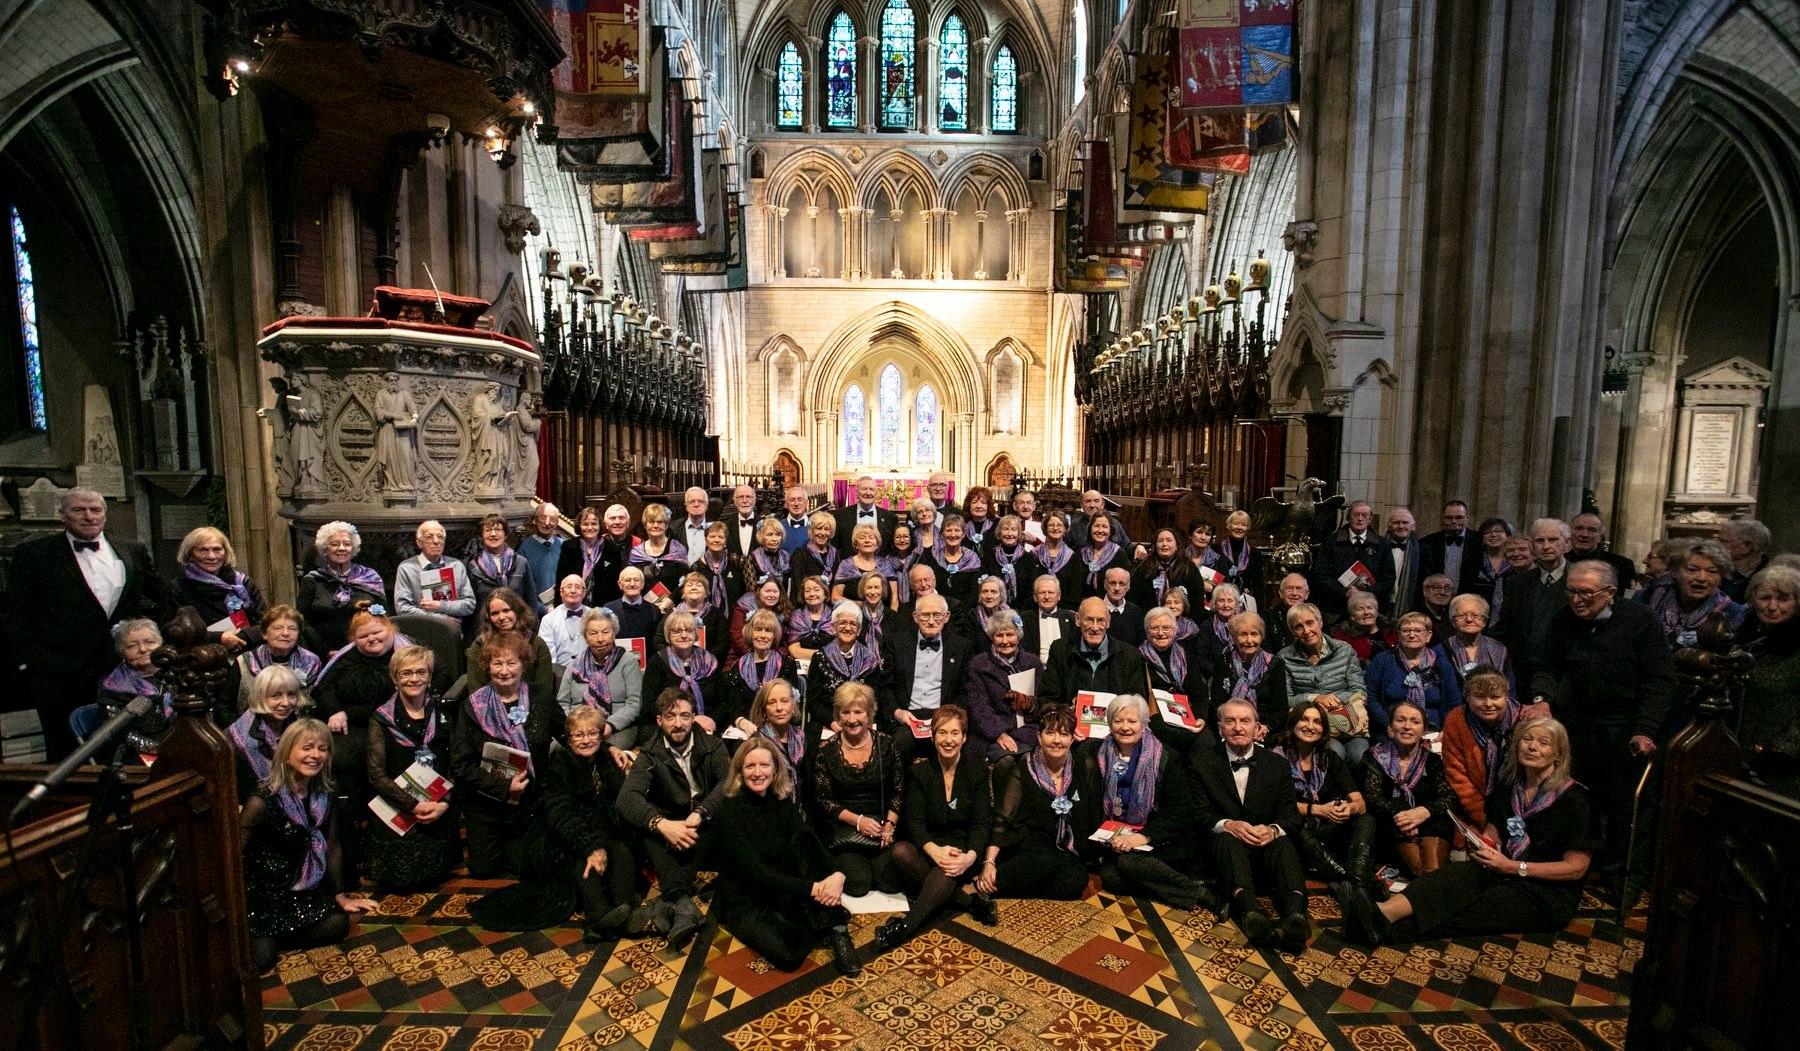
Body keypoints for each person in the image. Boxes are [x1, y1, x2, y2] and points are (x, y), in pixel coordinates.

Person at [1334, 718, 1595, 946]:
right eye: (1526, 739)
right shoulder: (1509, 787)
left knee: (1463, 910)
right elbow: (1495, 829)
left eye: (1543, 743)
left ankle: (1374, 927)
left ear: (1558, 754)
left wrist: (1514, 867)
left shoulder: (1574, 798)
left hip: (1544, 892)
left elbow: (1576, 867)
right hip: (1503, 872)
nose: (1532, 746)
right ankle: (1381, 913)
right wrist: (1484, 843)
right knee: (1454, 876)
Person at [1532, 561, 1674, 879]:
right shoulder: (1564, 619)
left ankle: (1623, 876)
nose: (1576, 600)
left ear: (1610, 593)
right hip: (1578, 724)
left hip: (1624, 725)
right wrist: (1542, 701)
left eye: (1586, 593)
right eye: (1571, 592)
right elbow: (1547, 667)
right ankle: (1579, 865)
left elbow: (1659, 681)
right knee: (1579, 799)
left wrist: (1645, 728)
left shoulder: (1641, 621)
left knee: (1625, 805)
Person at [6, 488, 168, 750]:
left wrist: (157, 638)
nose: (89, 516)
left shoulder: (132, 549)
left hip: (120, 669)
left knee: (123, 743)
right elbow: (16, 612)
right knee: (64, 748)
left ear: (105, 514)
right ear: (63, 515)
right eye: (79, 510)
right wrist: (31, 659)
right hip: (58, 672)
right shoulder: (35, 554)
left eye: (95, 510)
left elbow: (162, 595)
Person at [468, 706, 637, 941]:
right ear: (568, 739)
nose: (586, 740)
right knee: (584, 860)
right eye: (579, 735)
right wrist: (591, 846)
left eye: (592, 733)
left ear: (601, 735)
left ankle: (624, 913)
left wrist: (603, 839)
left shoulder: (606, 759)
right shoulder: (560, 763)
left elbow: (615, 804)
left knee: (621, 850)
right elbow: (561, 814)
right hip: (562, 836)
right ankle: (596, 918)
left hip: (599, 829)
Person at [240, 718, 379, 971]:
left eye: (322, 749)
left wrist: (339, 895)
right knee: (262, 960)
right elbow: (235, 855)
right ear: (286, 753)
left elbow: (332, 846)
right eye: (306, 748)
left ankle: (279, 938)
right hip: (264, 898)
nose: (315, 755)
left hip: (301, 894)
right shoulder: (262, 801)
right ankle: (268, 938)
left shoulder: (325, 794)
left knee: (338, 924)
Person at [713, 738, 861, 974]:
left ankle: (838, 931)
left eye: (765, 765)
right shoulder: (728, 814)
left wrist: (837, 873)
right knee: (790, 954)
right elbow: (758, 873)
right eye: (750, 766)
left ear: (775, 769)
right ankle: (820, 917)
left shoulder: (780, 800)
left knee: (803, 839)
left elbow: (809, 839)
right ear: (740, 771)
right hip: (747, 899)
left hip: (779, 885)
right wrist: (816, 889)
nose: (758, 772)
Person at [1189, 698, 1312, 951]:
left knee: (1284, 842)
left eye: (1245, 721)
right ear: (1220, 727)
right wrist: (1228, 824)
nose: (1238, 727)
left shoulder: (1276, 764)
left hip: (1265, 847)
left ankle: (1296, 916)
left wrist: (1272, 830)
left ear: (1257, 728)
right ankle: (1250, 912)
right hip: (1226, 852)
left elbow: (1290, 814)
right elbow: (1198, 814)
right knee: (1225, 839)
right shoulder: (1201, 762)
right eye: (1230, 721)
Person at [615, 688, 730, 947]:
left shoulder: (712, 745)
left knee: (728, 814)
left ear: (693, 717)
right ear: (659, 720)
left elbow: (727, 783)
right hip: (671, 827)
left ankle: (674, 901)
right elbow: (627, 798)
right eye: (670, 716)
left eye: (684, 716)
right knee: (646, 826)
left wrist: (700, 813)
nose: (678, 723)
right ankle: (682, 903)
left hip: (704, 824)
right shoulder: (650, 753)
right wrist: (662, 825)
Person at [875, 706, 997, 949]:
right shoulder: (919, 772)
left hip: (960, 850)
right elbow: (915, 822)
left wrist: (970, 857)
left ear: (964, 737)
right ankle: (970, 902)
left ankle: (905, 927)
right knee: (900, 852)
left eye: (954, 733)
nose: (948, 740)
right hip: (930, 846)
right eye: (941, 733)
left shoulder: (978, 771)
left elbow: (982, 823)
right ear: (932, 737)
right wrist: (933, 850)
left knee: (947, 869)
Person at [1085, 694, 1217, 911]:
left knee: (1127, 864)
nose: (1125, 727)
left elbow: (1180, 812)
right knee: (1112, 878)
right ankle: (1191, 888)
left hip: (1162, 838)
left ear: (1144, 724)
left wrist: (1143, 836)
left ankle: (1204, 896)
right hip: (1114, 840)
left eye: (1132, 721)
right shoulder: (1097, 753)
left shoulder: (1166, 757)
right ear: (1109, 724)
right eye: (1118, 721)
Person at [450, 631, 562, 877]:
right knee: (483, 870)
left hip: (533, 799)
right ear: (487, 666)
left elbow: (567, 735)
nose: (504, 670)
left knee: (531, 867)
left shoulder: (541, 697)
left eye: (511, 663)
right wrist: (504, 786)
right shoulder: (472, 706)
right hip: (488, 803)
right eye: (497, 663)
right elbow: (461, 765)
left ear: (523, 664)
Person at [365, 645, 459, 888]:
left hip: (438, 805)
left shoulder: (443, 711)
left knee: (438, 880)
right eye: (406, 673)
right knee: (404, 884)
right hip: (398, 806)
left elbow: (456, 762)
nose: (414, 678)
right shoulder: (380, 719)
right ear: (395, 678)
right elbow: (376, 774)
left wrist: (444, 803)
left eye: (421, 672)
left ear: (429, 677)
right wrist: (413, 805)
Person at [983, 704, 1095, 900]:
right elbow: (1003, 818)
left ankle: (1015, 889)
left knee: (1076, 881)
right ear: (1039, 737)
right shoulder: (1024, 767)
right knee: (1043, 860)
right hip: (1030, 844)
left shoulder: (1083, 765)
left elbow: (1091, 814)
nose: (1057, 741)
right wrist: (989, 862)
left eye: (1064, 734)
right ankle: (993, 884)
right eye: (1050, 733)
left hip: (1065, 848)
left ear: (1071, 738)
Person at [809, 682, 903, 897]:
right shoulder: (826, 750)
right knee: (859, 884)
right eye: (846, 712)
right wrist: (858, 821)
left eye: (859, 711)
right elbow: (824, 800)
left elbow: (897, 791)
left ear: (869, 713)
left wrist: (889, 825)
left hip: (879, 829)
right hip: (844, 830)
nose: (852, 719)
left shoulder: (887, 745)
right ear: (837, 715)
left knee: (889, 882)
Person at [1275, 700, 1375, 887]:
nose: (1310, 726)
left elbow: (1360, 802)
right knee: (1295, 826)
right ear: (1293, 723)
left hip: (1327, 829)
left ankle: (1355, 876)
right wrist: (1319, 810)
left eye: (1317, 722)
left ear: (1324, 729)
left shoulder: (1329, 758)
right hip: (1297, 832)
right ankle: (1353, 881)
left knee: (1366, 819)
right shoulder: (1276, 758)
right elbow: (1276, 804)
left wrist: (1350, 808)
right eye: (1304, 720)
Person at [1440, 667, 1545, 837]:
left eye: (1496, 697)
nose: (1488, 704)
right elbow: (1458, 777)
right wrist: (1486, 823)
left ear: (1507, 696)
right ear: (1467, 697)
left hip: (1526, 809)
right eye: (1480, 697)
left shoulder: (1527, 719)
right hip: (1476, 811)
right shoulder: (1456, 720)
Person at [1362, 699, 1452, 878]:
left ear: (1424, 731)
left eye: (1415, 721)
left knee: (1433, 866)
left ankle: (1432, 887)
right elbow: (1372, 797)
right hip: (1394, 825)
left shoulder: (1433, 761)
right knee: (1423, 874)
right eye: (1400, 720)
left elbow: (1448, 797)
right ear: (1390, 727)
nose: (1407, 726)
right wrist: (1402, 814)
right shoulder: (1373, 756)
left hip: (1429, 822)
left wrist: (1424, 811)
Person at [1279, 602, 1372, 764]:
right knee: (1335, 753)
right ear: (1292, 631)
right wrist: (1315, 698)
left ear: (1320, 622)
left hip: (1349, 721)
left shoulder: (1344, 650)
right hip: (1311, 725)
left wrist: (1333, 699)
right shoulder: (1285, 657)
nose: (1306, 631)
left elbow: (1359, 691)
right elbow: (1285, 699)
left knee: (1359, 754)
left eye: (1310, 623)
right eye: (1298, 627)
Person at [879, 593, 972, 752]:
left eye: (936, 615)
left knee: (963, 746)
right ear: (915, 617)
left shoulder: (962, 646)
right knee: (899, 745)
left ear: (947, 617)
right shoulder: (896, 643)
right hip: (907, 717)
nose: (930, 621)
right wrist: (897, 712)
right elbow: (886, 685)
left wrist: (949, 716)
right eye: (925, 615)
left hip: (944, 716)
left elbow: (965, 690)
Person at [1739, 565, 1800, 790]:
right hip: (1742, 753)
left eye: (1783, 599)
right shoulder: (1749, 638)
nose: (1772, 607)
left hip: (1783, 766)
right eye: (1765, 598)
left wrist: (1780, 751)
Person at [1497, 518, 1572, 697]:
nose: (1546, 546)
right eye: (1540, 541)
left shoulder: (1579, 578)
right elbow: (1505, 626)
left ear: (1567, 544)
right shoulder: (1518, 582)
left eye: (1553, 540)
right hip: (1524, 673)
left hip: (1565, 673)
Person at [557, 608, 643, 758]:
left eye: (605, 632)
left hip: (616, 727)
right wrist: (575, 728)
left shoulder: (628, 661)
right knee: (557, 751)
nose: (600, 638)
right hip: (578, 729)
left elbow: (634, 704)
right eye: (593, 633)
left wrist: (608, 726)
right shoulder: (575, 664)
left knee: (605, 754)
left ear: (614, 633)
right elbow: (562, 702)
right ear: (585, 636)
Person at [298, 521, 389, 653]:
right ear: (325, 549)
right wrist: (325, 651)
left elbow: (384, 617)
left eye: (347, 544)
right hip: (323, 652)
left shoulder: (370, 577)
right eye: (334, 544)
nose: (341, 548)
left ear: (353, 549)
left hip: (366, 649)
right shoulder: (312, 579)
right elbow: (303, 621)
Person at [1639, 539, 1747, 649]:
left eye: (1712, 572)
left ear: (1721, 578)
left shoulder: (1733, 613)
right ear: (1674, 572)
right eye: (1692, 570)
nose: (1701, 578)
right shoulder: (1650, 597)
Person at [1039, 597, 1148, 706]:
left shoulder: (1130, 655)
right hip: (1070, 720)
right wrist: (1070, 710)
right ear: (1078, 619)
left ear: (1108, 622)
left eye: (1101, 620)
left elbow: (1137, 702)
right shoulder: (1060, 650)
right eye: (1089, 620)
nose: (1095, 627)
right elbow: (1048, 698)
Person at [1364, 612, 1462, 731]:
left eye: (1418, 630)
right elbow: (1370, 697)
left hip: (1433, 730)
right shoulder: (1383, 660)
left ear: (1429, 635)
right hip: (1392, 729)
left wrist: (1446, 730)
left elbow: (1454, 702)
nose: (1412, 635)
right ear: (1399, 635)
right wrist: (1388, 725)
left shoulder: (1442, 664)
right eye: (1406, 630)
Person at [965, 607, 1043, 758]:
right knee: (1005, 761)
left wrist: (1030, 705)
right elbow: (979, 707)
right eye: (999, 635)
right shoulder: (979, 664)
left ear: (1018, 636)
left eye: (1010, 634)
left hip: (1028, 730)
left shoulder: (1032, 662)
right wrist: (999, 733)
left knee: (1031, 758)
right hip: (992, 733)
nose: (1005, 641)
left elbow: (1044, 701)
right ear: (992, 638)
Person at [176, 525, 268, 652]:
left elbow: (265, 622)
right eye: (203, 550)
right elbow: (175, 631)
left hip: (247, 651)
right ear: (190, 554)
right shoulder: (178, 588)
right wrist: (219, 638)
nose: (212, 556)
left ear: (226, 553)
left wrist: (240, 638)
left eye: (217, 549)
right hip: (202, 657)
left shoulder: (243, 583)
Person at [97, 618, 174, 755]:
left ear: (160, 644)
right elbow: (119, 732)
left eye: (149, 642)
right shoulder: (113, 685)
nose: (143, 649)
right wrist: (159, 749)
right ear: (122, 652)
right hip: (135, 752)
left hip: (177, 743)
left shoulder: (175, 672)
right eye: (132, 646)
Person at [230, 664, 305, 801]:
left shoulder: (297, 722)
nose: (286, 702)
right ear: (260, 697)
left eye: (291, 694)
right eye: (275, 696)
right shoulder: (240, 739)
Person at [641, 610, 723, 735]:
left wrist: (712, 720)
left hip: (706, 724)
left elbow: (722, 701)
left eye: (689, 630)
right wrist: (691, 720)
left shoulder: (709, 661)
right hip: (668, 724)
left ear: (696, 634)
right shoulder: (656, 662)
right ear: (668, 635)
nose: (684, 635)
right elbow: (650, 704)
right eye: (676, 631)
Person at [466, 588, 556, 700]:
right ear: (488, 617)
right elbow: (476, 691)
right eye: (494, 613)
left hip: (533, 707)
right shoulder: (479, 646)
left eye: (506, 610)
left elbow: (544, 690)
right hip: (489, 708)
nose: (501, 617)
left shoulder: (537, 644)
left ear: (517, 611)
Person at [808, 602, 885, 730]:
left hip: (863, 721)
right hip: (830, 722)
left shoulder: (870, 660)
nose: (848, 628)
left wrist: (861, 721)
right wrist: (832, 723)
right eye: (843, 623)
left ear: (859, 630)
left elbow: (874, 698)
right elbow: (813, 701)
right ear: (833, 627)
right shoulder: (819, 658)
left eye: (853, 624)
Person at [1140, 607, 1212, 741]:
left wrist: (1200, 718)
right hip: (1156, 721)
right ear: (1147, 631)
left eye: (1166, 628)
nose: (1161, 633)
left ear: (1175, 630)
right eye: (1155, 628)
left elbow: (1199, 692)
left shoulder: (1185, 655)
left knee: (1206, 743)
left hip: (1187, 716)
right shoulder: (1138, 657)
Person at [721, 610, 801, 731]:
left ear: (774, 636)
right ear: (750, 633)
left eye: (768, 631)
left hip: (779, 727)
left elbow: (792, 705)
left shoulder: (787, 664)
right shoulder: (738, 666)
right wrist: (743, 723)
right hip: (747, 729)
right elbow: (732, 708)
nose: (763, 635)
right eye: (758, 629)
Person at [1315, 501, 1394, 619]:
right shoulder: (1331, 541)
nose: (1360, 519)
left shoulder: (1382, 544)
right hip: (1336, 608)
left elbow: (1388, 577)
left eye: (1364, 515)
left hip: (1370, 608)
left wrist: (1366, 594)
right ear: (1348, 517)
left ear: (1370, 519)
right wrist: (1344, 592)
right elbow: (1321, 574)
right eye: (1356, 515)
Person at [236, 605, 322, 709]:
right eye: (278, 628)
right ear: (264, 634)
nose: (286, 633)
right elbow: (225, 706)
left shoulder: (312, 662)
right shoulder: (245, 661)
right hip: (251, 721)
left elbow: (316, 702)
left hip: (298, 722)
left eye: (292, 629)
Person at [395, 520, 477, 627]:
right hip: (419, 630)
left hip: (453, 633)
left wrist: (440, 606)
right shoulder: (407, 568)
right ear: (419, 542)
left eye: (440, 537)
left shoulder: (456, 566)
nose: (436, 541)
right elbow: (402, 608)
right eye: (429, 537)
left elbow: (469, 604)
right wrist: (440, 619)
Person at [1218, 612, 1289, 730]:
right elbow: (1218, 701)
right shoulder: (1225, 660)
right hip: (1231, 726)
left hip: (1263, 727)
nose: (1249, 640)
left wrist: (1267, 727)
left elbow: (1281, 708)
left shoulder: (1275, 663)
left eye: (1254, 634)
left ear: (1262, 637)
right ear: (1234, 638)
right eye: (1243, 634)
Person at [1435, 593, 1515, 697]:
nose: (1469, 619)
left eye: (1476, 615)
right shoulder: (1439, 651)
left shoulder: (1500, 651)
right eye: (1462, 615)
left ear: (1484, 621)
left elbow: (1510, 690)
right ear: (1453, 621)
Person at [736, 678, 809, 790]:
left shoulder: (800, 737)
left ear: (793, 705)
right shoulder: (757, 742)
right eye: (772, 702)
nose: (779, 708)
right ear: (764, 710)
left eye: (784, 701)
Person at [467, 513, 531, 611]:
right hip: (486, 623)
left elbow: (530, 599)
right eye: (488, 530)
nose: (493, 534)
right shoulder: (473, 566)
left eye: (498, 530)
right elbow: (473, 606)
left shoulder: (520, 562)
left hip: (518, 623)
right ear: (482, 536)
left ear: (506, 534)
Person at [923, 514, 984, 608]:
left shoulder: (972, 558)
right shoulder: (931, 556)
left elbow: (974, 592)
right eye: (948, 530)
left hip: (965, 612)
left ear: (963, 534)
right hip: (936, 610)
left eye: (957, 530)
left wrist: (960, 611)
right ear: (941, 534)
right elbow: (926, 587)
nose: (953, 534)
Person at [1568, 512, 1638, 593]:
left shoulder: (1623, 565)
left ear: (1600, 537)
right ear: (1570, 533)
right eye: (1579, 528)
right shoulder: (1559, 561)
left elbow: (1626, 599)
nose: (1584, 534)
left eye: (1591, 530)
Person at [630, 503, 688, 600]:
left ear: (666, 525)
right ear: (645, 525)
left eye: (660, 522)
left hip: (672, 605)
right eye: (651, 522)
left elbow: (685, 580)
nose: (655, 525)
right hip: (643, 606)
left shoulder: (677, 549)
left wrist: (670, 601)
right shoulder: (636, 552)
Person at [983, 514, 1042, 608]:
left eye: (1013, 530)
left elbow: (1031, 589)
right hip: (992, 609)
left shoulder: (1028, 558)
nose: (1009, 534)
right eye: (1006, 529)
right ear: (999, 533)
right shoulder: (989, 556)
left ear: (1019, 533)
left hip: (1021, 610)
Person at [518, 502, 565, 613]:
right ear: (535, 520)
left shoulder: (564, 546)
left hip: (563, 608)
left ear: (557, 523)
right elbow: (523, 587)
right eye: (543, 518)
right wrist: (544, 609)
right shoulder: (524, 549)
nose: (547, 523)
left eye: (552, 519)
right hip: (536, 612)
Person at [555, 506, 608, 604]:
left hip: (603, 606)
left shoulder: (611, 549)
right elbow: (561, 580)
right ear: (579, 526)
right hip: (573, 603)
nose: (589, 527)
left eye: (594, 524)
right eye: (585, 524)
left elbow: (613, 586)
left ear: (600, 525)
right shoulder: (568, 547)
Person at [1021, 574, 1077, 664]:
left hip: (1065, 671)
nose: (1047, 597)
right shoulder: (1024, 618)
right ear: (1035, 597)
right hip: (1035, 670)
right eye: (1042, 593)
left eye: (1051, 592)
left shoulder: (1071, 618)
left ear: (1059, 596)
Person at [834, 475, 899, 553]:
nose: (868, 493)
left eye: (871, 489)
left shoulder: (891, 518)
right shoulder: (840, 516)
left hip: (881, 564)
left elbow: (893, 548)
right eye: (864, 489)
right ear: (857, 491)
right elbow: (835, 547)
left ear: (876, 493)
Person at [833, 523, 895, 604]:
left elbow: (894, 598)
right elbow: (835, 597)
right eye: (862, 538)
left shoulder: (885, 565)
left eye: (871, 537)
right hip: (852, 614)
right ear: (856, 544)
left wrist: (893, 615)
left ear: (877, 544)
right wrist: (857, 605)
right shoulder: (846, 565)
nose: (867, 541)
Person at [1419, 500, 1474, 592]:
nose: (1454, 521)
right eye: (1449, 518)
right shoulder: (1427, 542)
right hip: (1436, 597)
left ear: (1467, 518)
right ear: (1443, 519)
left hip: (1468, 598)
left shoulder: (1478, 541)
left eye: (1459, 517)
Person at [538, 574, 593, 665]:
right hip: (559, 674)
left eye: (578, 587)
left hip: (592, 673)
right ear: (561, 592)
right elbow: (548, 656)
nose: (573, 591)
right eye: (569, 587)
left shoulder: (595, 617)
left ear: (584, 592)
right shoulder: (548, 620)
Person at [1330, 591, 1397, 665]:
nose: (1366, 612)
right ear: (1352, 616)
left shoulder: (1391, 630)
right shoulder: (1343, 635)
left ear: (1376, 612)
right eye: (1360, 609)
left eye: (1370, 608)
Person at [1078, 514, 1133, 601]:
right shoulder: (1081, 553)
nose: (1100, 530)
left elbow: (1126, 586)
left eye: (1104, 526)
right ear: (1090, 529)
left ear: (1110, 531)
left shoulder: (1119, 554)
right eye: (1096, 526)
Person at [602, 565, 662, 642]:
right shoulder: (609, 609)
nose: (632, 584)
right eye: (628, 580)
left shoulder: (654, 610)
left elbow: (656, 641)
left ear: (642, 584)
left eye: (636, 580)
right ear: (620, 585)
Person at [1464, 517, 1516, 606]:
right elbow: (1465, 591)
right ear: (1482, 539)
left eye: (1499, 531)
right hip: (1478, 611)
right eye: (1487, 532)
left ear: (1508, 536)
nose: (1493, 535)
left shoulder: (1515, 561)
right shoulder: (1472, 561)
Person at [1383, 507, 1424, 617]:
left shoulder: (1422, 550)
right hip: (1382, 603)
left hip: (1411, 606)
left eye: (1405, 522)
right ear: (1389, 526)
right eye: (1396, 523)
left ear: (1413, 526)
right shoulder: (1378, 547)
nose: (1401, 526)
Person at [1720, 519, 1773, 602]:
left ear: (1747, 546)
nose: (1717, 546)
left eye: (1724, 541)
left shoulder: (1770, 578)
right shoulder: (1718, 569)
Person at [1036, 511, 1082, 607]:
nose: (1055, 528)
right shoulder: (1034, 555)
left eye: (1060, 525)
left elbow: (1075, 591)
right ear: (1045, 528)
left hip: (1064, 610)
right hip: (1036, 608)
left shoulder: (1073, 557)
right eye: (1051, 525)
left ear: (1066, 529)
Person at [788, 511, 840, 594]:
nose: (822, 533)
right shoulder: (801, 554)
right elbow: (797, 587)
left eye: (826, 529)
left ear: (831, 532)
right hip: (808, 602)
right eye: (818, 528)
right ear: (811, 531)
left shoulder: (835, 554)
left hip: (830, 604)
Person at [954, 575, 1009, 652]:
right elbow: (969, 650)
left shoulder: (1011, 616)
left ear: (1001, 596)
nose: (988, 596)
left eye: (993, 592)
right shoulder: (971, 617)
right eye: (985, 591)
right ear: (980, 595)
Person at [1216, 509, 1263, 597]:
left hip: (1246, 599)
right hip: (1221, 596)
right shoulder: (1216, 550)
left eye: (1244, 525)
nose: (1239, 527)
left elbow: (1258, 585)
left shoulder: (1255, 553)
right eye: (1236, 523)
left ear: (1247, 528)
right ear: (1229, 526)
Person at [785, 575, 834, 656]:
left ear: (825, 594)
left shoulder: (834, 616)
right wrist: (824, 656)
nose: (811, 594)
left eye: (816, 590)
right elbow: (794, 650)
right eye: (807, 591)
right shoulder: (797, 616)